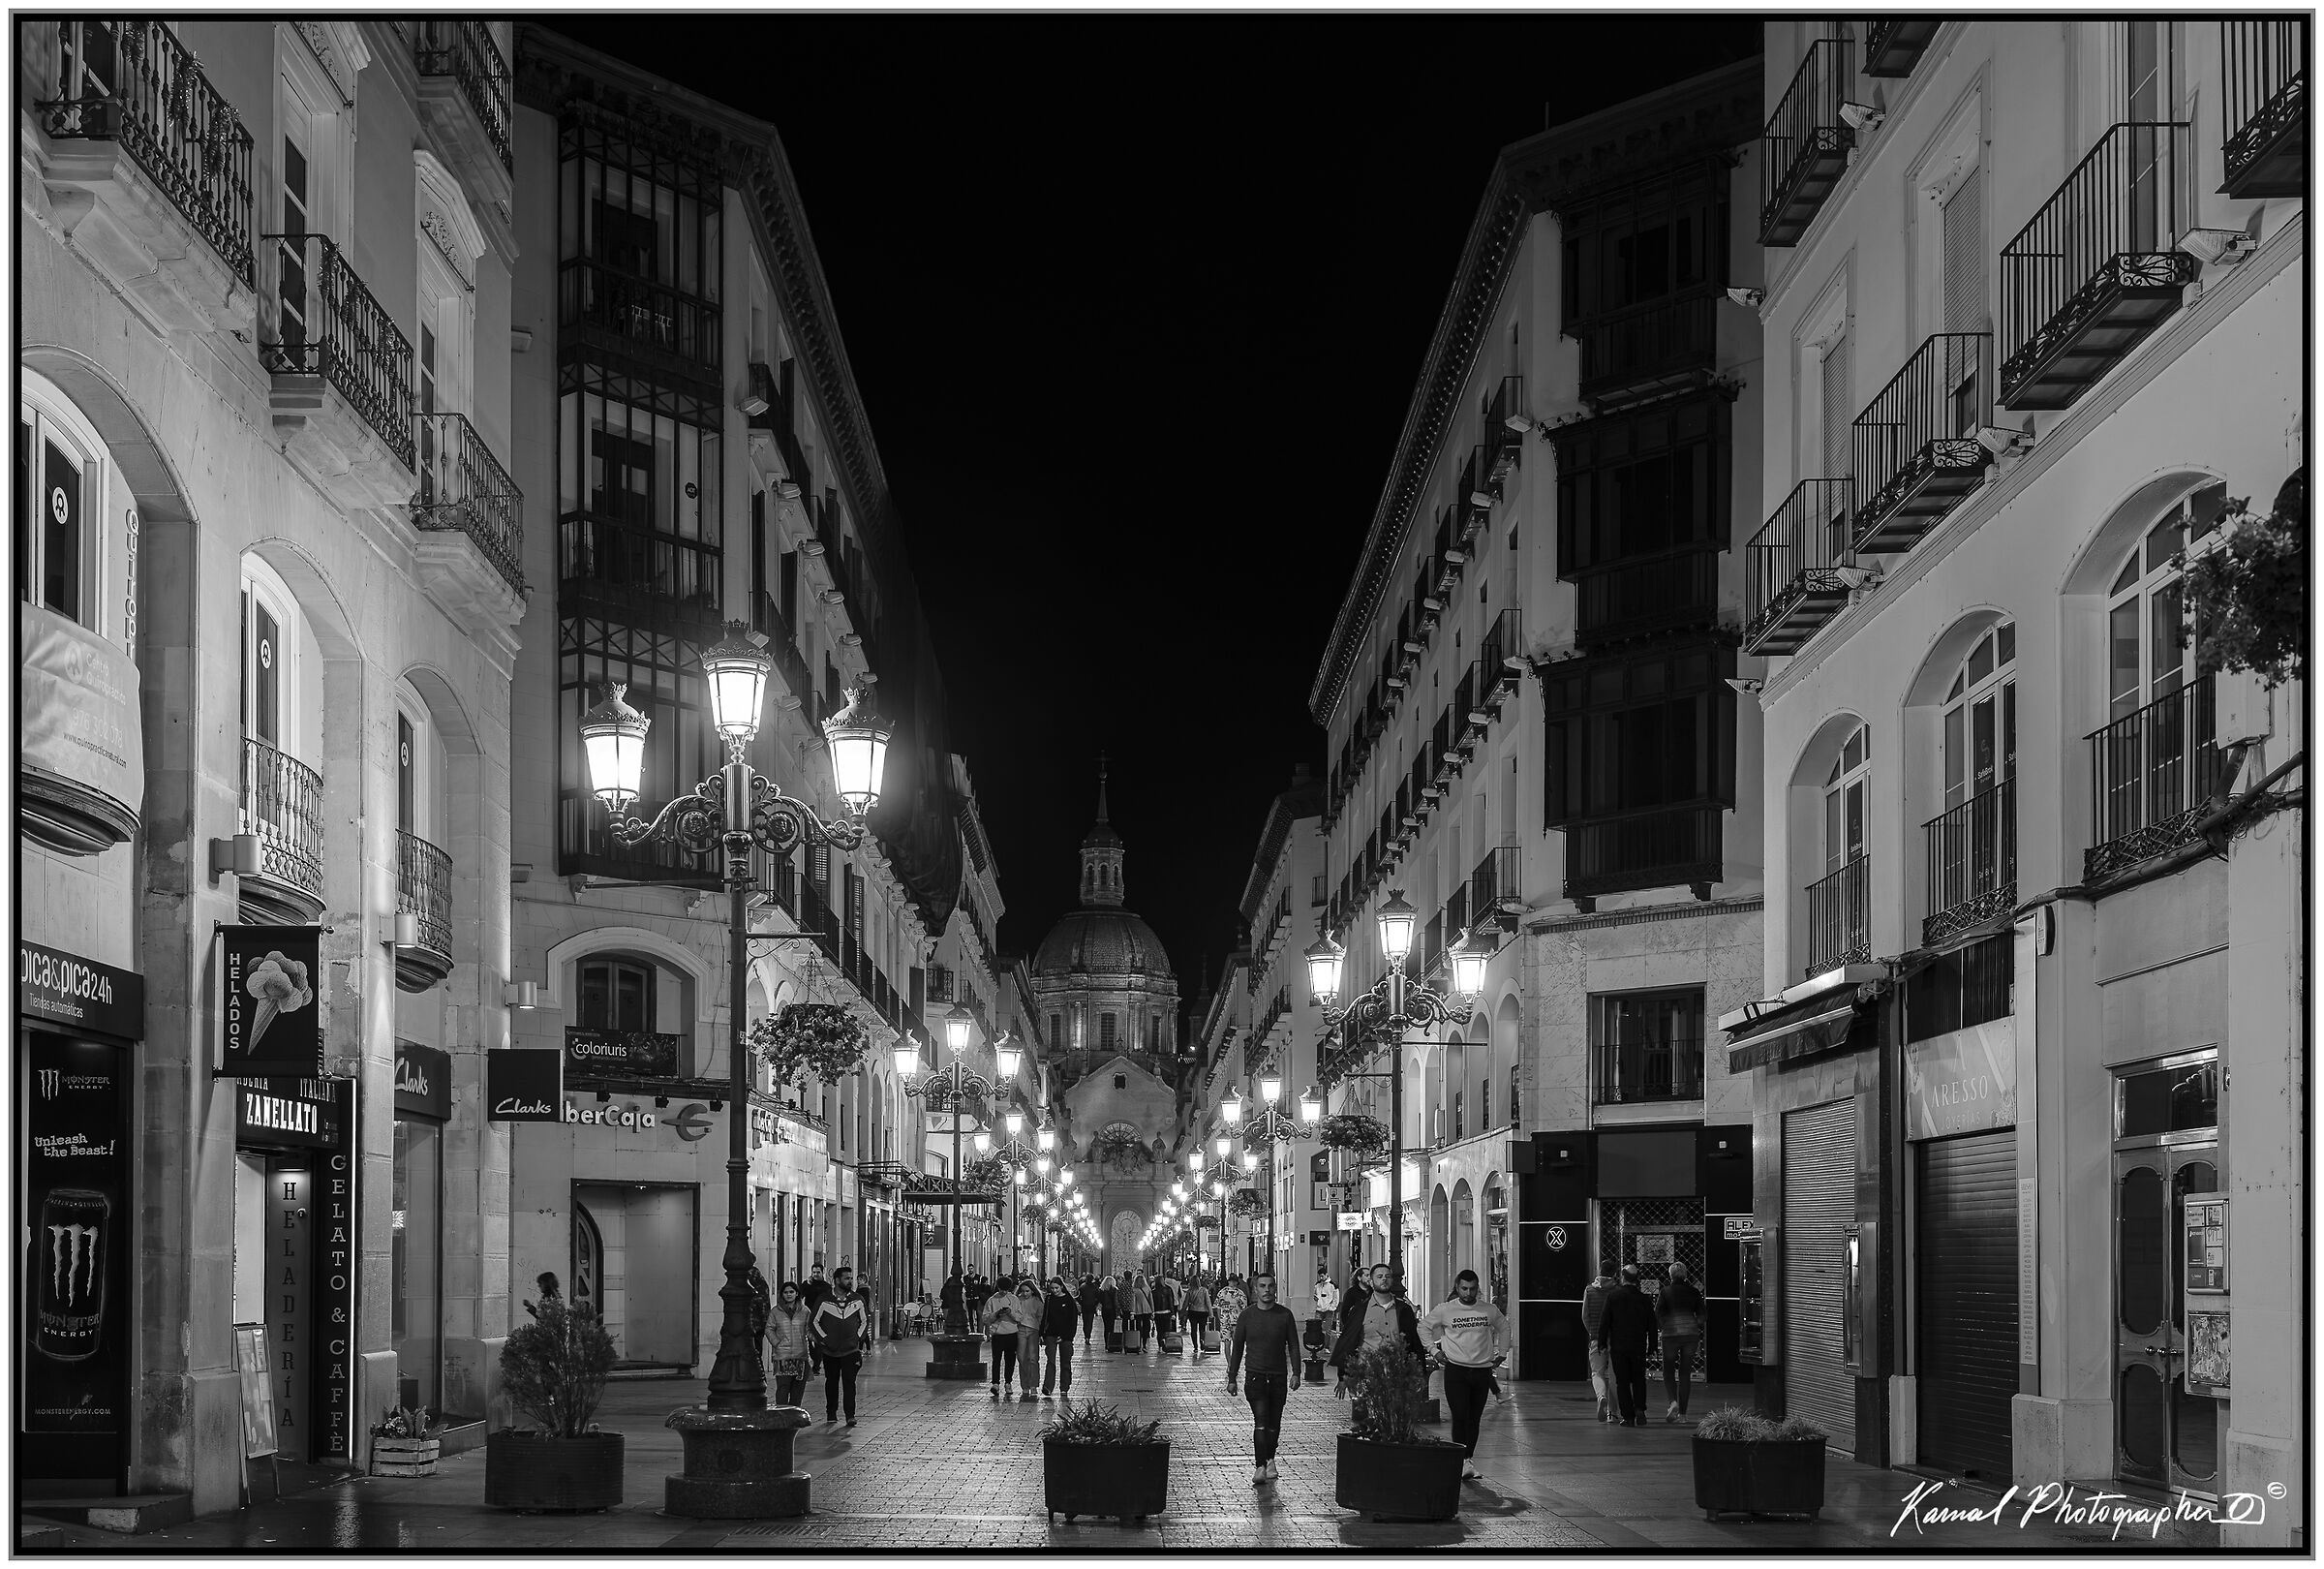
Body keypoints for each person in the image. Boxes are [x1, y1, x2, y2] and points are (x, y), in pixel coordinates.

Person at [1422, 1269, 1509, 1480]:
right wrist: (1434, 1351)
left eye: (1472, 1289)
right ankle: (1460, 1461)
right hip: (1456, 1370)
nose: (1468, 1293)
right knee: (1460, 1416)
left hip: (1481, 1371)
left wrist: (1502, 1352)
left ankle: (1468, 1459)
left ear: (1477, 1288)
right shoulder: (1445, 1310)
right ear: (1457, 1288)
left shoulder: (1488, 1309)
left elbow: (1504, 1328)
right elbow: (1423, 1327)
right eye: (1464, 1289)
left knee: (1473, 1419)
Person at [1225, 1274, 1302, 1486]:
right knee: (1261, 1421)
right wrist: (1232, 1377)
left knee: (1273, 1423)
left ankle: (1270, 1459)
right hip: (1255, 1376)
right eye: (1262, 1286)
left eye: (1270, 1286)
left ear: (1275, 1289)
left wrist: (1296, 1372)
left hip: (1278, 1376)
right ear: (1255, 1290)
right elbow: (1238, 1347)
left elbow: (1294, 1345)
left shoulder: (1284, 1315)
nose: (1267, 1290)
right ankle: (1261, 1465)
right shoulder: (1247, 1316)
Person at [1329, 1263, 1425, 1396]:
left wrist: (1420, 1373)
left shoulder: (1403, 1309)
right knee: (1368, 1415)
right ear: (1372, 1282)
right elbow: (1348, 1342)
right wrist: (1343, 1377)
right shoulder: (1360, 1310)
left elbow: (1414, 1342)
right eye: (1379, 1276)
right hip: (1367, 1373)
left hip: (1397, 1374)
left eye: (1388, 1276)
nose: (1384, 1279)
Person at [809, 1265, 869, 1427]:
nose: (850, 1281)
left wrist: (857, 1338)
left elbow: (864, 1321)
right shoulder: (824, 1299)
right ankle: (831, 1413)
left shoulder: (857, 1300)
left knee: (850, 1383)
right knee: (831, 1382)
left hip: (851, 1350)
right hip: (830, 1351)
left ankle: (850, 1415)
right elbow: (814, 1321)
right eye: (846, 1278)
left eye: (851, 1278)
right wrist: (825, 1339)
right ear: (837, 1280)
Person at [1602, 1264, 1659, 1428]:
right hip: (1638, 1346)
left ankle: (1628, 1416)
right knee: (1639, 1379)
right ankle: (1640, 1408)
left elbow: (1605, 1321)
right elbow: (1652, 1324)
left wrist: (1601, 1342)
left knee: (1622, 1382)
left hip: (1619, 1346)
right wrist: (1652, 1345)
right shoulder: (1644, 1299)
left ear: (1623, 1277)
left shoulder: (1613, 1297)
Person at [1658, 1261, 1706, 1423]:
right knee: (1685, 1373)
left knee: (1668, 1371)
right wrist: (1695, 1323)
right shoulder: (1694, 1292)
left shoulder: (1665, 1292)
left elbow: (1658, 1313)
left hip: (1670, 1334)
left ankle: (1672, 1402)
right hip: (1690, 1335)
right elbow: (1703, 1315)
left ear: (1670, 1275)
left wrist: (1664, 1325)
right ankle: (1683, 1415)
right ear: (1685, 1275)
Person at [767, 1280, 813, 1408]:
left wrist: (821, 1339)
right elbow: (769, 1329)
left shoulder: (805, 1311)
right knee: (783, 1389)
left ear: (797, 1293)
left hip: (800, 1356)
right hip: (782, 1357)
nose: (789, 1294)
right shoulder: (775, 1311)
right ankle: (781, 1416)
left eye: (791, 1292)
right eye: (786, 1292)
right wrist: (777, 1343)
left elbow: (809, 1331)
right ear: (782, 1295)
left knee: (797, 1391)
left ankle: (794, 1418)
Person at [982, 1275, 1024, 1399]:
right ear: (998, 1287)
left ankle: (1008, 1382)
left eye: (1006, 1290)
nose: (1003, 1292)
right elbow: (985, 1318)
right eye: (1001, 1289)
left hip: (1011, 1333)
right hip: (998, 1334)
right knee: (996, 1360)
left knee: (1010, 1359)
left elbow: (1019, 1317)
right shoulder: (992, 1300)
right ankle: (995, 1383)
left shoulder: (1014, 1299)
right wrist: (997, 1314)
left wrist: (1010, 1313)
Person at [1581, 1271, 1616, 1423]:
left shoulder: (1589, 1290)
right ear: (1614, 1273)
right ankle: (1613, 1413)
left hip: (1596, 1336)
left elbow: (1585, 1315)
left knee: (1597, 1372)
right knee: (1615, 1375)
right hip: (1614, 1338)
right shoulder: (1616, 1290)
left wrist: (1592, 1331)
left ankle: (1601, 1396)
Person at [1039, 1276, 1079, 1399]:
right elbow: (1045, 1317)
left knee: (1065, 1362)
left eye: (1056, 1288)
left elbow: (1073, 1320)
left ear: (1062, 1287)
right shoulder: (1049, 1299)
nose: (1054, 1291)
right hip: (1051, 1333)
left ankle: (1064, 1387)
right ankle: (1048, 1387)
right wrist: (1041, 1333)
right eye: (1052, 1288)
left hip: (1066, 1336)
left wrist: (1068, 1336)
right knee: (1050, 1361)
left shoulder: (1069, 1300)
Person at [1012, 1277, 1043, 1395]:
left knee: (1033, 1358)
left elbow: (1040, 1317)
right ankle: (1025, 1384)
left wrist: (1041, 1333)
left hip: (1034, 1330)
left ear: (1032, 1291)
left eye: (1027, 1291)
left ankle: (1033, 1384)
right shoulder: (1017, 1300)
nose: (1025, 1293)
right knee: (1021, 1357)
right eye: (1023, 1291)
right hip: (1020, 1330)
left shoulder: (1037, 1302)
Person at [1180, 1276, 1211, 1357]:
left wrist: (1182, 1312)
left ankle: (1195, 1346)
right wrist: (1211, 1313)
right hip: (1203, 1312)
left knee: (1193, 1330)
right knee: (1202, 1329)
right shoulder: (1204, 1290)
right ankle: (1202, 1341)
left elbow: (1186, 1303)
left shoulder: (1190, 1291)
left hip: (1193, 1312)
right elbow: (1208, 1302)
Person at [1125, 1272, 1153, 1348]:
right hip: (1147, 1310)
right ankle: (1144, 1343)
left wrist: (1132, 1312)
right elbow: (1151, 1300)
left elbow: (1133, 1302)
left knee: (1138, 1326)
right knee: (1146, 1326)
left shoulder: (1134, 1289)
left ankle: (1139, 1342)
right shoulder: (1147, 1289)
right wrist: (1152, 1310)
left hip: (1138, 1310)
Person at [1314, 1269, 1341, 1338]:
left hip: (1329, 1310)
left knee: (1328, 1330)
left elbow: (1336, 1299)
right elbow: (1316, 1294)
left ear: (1326, 1275)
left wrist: (1332, 1308)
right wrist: (1316, 1298)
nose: (1321, 1278)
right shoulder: (1317, 1285)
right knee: (1316, 1328)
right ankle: (1318, 1344)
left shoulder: (1333, 1285)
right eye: (1319, 1276)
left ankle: (1326, 1347)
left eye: (1322, 1276)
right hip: (1319, 1309)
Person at [1076, 1275, 1101, 1345]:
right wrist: (1095, 1303)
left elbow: (1077, 1296)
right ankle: (1088, 1336)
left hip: (1084, 1306)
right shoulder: (1095, 1287)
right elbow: (1098, 1297)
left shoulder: (1082, 1286)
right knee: (1090, 1322)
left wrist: (1081, 1303)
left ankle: (1086, 1335)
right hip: (1091, 1307)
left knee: (1085, 1322)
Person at [1098, 1275, 1121, 1346]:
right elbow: (1116, 1301)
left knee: (1106, 1327)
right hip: (1112, 1310)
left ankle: (1106, 1344)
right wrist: (1118, 1310)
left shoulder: (1101, 1290)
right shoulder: (1114, 1290)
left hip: (1105, 1310)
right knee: (1111, 1327)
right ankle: (1111, 1343)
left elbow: (1100, 1300)